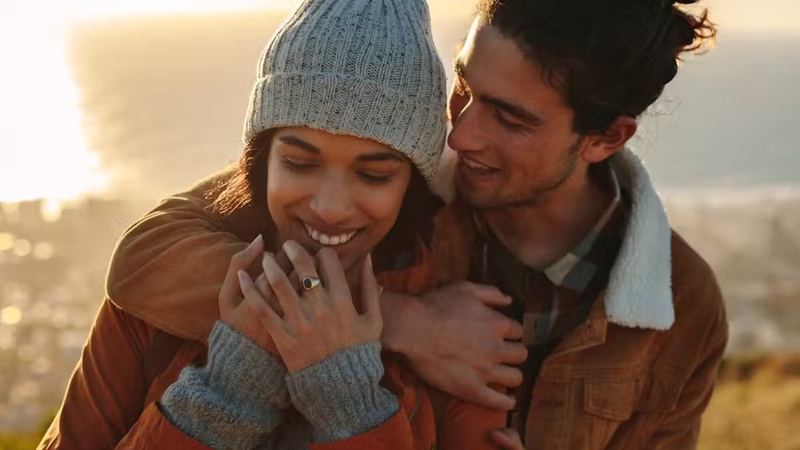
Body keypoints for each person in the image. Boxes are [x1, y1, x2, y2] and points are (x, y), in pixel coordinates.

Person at [94, 0, 728, 449]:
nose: (462, 131)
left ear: (605, 137)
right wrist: (394, 322)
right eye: (463, 89)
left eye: (510, 118)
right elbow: (149, 252)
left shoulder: (683, 304)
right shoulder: (400, 179)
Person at [37, 0, 524, 448]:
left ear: (411, 185)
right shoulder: (150, 306)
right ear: (261, 162)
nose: (330, 207)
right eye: (299, 163)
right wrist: (222, 399)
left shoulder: (463, 343)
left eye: (374, 174)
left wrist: (351, 408)